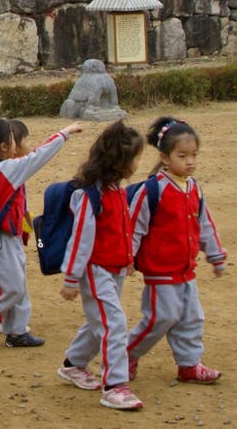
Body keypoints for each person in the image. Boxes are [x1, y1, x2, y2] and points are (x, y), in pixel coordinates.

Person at [0, 117, 84, 348]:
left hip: (10, 236)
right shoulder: (5, 170)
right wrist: (64, 133)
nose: (18, 146)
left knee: (19, 285)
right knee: (13, 289)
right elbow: (38, 156)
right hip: (0, 239)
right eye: (13, 140)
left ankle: (16, 331)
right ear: (4, 147)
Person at [126, 117, 227, 384]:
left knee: (191, 318)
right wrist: (127, 257)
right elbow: (134, 226)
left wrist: (215, 255)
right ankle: (124, 353)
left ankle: (189, 365)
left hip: (186, 271)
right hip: (160, 271)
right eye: (182, 155)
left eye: (194, 155)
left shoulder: (194, 189)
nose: (190, 161)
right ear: (165, 157)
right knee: (160, 318)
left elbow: (205, 224)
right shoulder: (153, 190)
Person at [56, 121, 145, 411]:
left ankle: (73, 364)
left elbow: (122, 229)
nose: (137, 163)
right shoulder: (89, 195)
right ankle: (114, 386)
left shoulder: (116, 190)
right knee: (113, 324)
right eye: (134, 157)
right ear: (119, 161)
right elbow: (81, 238)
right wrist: (71, 277)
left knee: (101, 322)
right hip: (95, 271)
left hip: (114, 268)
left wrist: (127, 260)